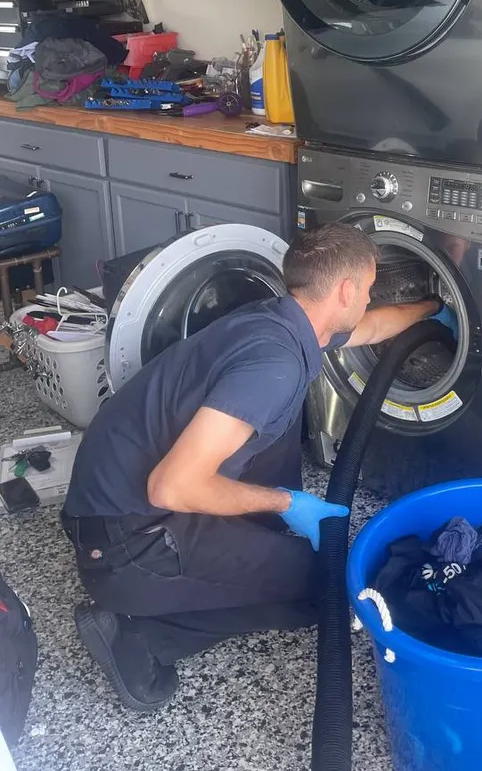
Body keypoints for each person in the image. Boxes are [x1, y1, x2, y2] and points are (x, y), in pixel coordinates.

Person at [61, 224, 456, 713]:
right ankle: (140, 636)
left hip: (114, 501)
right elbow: (171, 487)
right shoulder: (274, 366)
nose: (370, 297)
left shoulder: (280, 318)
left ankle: (241, 549)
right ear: (344, 290)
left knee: (278, 439)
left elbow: (372, 327)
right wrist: (286, 503)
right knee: (326, 586)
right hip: (130, 543)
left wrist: (433, 309)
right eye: (369, 287)